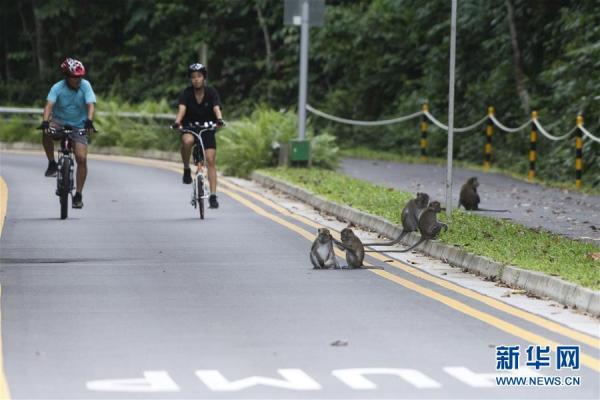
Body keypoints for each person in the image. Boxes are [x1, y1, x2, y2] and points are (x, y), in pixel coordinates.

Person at [41, 57, 96, 209]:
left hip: (79, 125)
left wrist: (89, 121)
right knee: (46, 131)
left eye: (80, 76)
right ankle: (52, 163)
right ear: (67, 76)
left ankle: (78, 194)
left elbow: (90, 105)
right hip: (59, 122)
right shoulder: (57, 87)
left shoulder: (85, 86)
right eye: (75, 77)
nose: (78, 79)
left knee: (81, 158)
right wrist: (46, 122)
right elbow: (48, 106)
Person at [173, 63, 224, 209]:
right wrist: (177, 122)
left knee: (210, 160)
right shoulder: (186, 93)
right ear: (190, 79)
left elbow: (216, 107)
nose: (196, 79)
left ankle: (213, 196)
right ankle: (186, 169)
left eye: (199, 76)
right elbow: (181, 109)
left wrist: (219, 119)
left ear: (204, 78)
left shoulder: (211, 92)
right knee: (187, 141)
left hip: (207, 128)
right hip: (190, 127)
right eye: (193, 77)